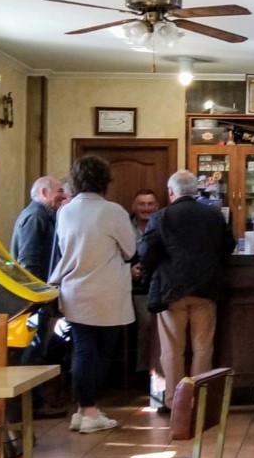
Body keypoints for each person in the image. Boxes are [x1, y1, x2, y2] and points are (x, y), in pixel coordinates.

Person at [50, 155, 136, 434]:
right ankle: (89, 410)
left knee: (82, 349)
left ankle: (82, 409)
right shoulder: (113, 211)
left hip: (73, 289)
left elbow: (63, 247)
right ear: (105, 180)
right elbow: (130, 250)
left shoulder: (65, 211)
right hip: (107, 290)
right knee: (102, 353)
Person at [140, 170, 236, 414]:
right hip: (206, 288)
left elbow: (147, 252)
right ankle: (198, 401)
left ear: (170, 192)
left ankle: (175, 401)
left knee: (172, 349)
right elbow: (229, 245)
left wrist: (150, 273)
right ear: (195, 190)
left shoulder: (161, 216)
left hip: (171, 290)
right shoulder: (213, 215)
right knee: (203, 347)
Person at [10, 175, 69, 416]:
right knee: (32, 352)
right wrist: (37, 298)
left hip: (38, 298)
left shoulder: (42, 215)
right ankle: (31, 405)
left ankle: (34, 403)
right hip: (34, 300)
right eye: (59, 191)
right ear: (44, 192)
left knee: (37, 351)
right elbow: (29, 261)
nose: (63, 195)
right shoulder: (36, 217)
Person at [129, 189, 161, 379]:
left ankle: (156, 371)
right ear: (134, 207)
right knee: (148, 322)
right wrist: (128, 271)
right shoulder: (123, 226)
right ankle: (143, 372)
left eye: (150, 204)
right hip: (132, 289)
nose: (146, 208)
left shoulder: (162, 224)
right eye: (142, 204)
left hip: (158, 285)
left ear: (157, 206)